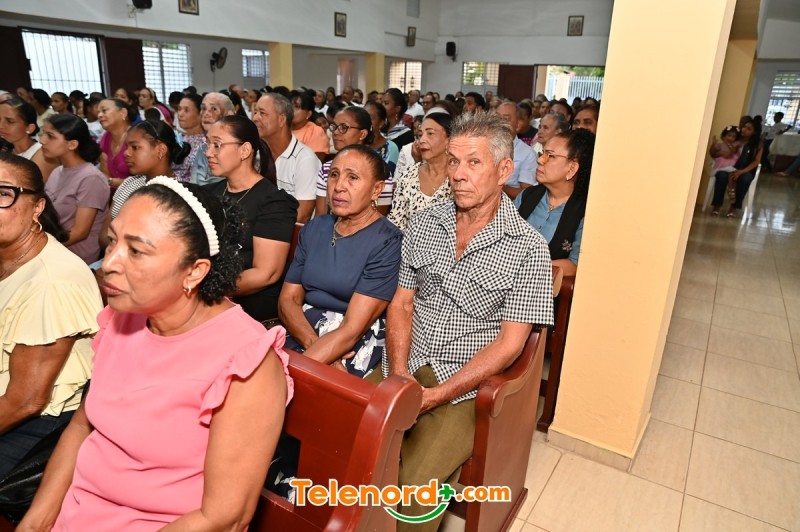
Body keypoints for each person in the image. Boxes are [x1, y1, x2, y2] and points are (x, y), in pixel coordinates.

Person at [19, 177, 293, 531]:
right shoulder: (124, 316)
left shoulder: (245, 361)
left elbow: (225, 517)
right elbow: (82, 426)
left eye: (136, 251)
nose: (109, 262)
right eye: (113, 241)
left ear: (194, 271)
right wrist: (34, 523)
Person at [375, 112, 554, 531]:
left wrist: (436, 396)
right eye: (454, 161)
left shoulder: (529, 249)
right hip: (404, 361)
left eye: (474, 162)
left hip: (463, 386)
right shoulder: (425, 222)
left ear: (504, 171)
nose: (458, 174)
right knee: (344, 445)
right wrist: (399, 373)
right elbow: (401, 303)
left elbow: (510, 344)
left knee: (413, 492)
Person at [0, 153, 99, 484]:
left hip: (34, 426)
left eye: (3, 193)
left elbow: (25, 401)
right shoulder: (9, 255)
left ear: (37, 206)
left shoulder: (52, 281)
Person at [280, 144, 401, 377]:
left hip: (353, 341)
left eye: (352, 177)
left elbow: (352, 329)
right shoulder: (316, 227)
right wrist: (314, 345)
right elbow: (288, 299)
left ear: (376, 190)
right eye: (334, 175)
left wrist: (292, 374)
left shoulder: (387, 241)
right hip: (302, 327)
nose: (339, 186)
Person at [205, 115, 298, 322]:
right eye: (208, 144)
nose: (208, 152)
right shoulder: (209, 194)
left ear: (245, 150)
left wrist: (204, 289)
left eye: (217, 145)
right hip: (209, 299)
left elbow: (266, 273)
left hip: (249, 308)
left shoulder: (274, 202)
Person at [515, 128, 596, 277]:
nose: (540, 160)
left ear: (572, 168)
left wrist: (523, 267)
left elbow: (574, 265)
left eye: (550, 156)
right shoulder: (528, 196)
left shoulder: (584, 211)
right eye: (542, 153)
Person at [40, 114, 110, 264]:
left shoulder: (91, 178)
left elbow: (80, 232)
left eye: (51, 136)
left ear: (72, 144)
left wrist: (40, 249)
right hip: (52, 247)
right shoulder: (57, 172)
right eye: (43, 134)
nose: (42, 141)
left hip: (75, 257)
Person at [315, 106, 395, 216]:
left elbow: (379, 218)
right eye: (334, 127)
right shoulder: (327, 168)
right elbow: (321, 217)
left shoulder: (380, 170)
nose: (336, 132)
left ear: (362, 134)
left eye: (344, 127)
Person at [252, 92, 319, 223]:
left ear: (281, 120)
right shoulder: (256, 155)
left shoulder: (304, 159)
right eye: (255, 112)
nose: (255, 118)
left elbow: (302, 216)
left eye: (262, 113)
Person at [387, 110, 453, 231]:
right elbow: (395, 225)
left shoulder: (459, 178)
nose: (422, 140)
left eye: (430, 133)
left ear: (449, 140)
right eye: (420, 135)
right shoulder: (408, 177)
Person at [710, 116, 763, 217]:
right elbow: (719, 152)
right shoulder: (735, 138)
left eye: (748, 129)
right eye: (744, 127)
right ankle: (716, 206)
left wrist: (741, 172)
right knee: (721, 175)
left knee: (745, 179)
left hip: (746, 170)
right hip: (729, 167)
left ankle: (733, 208)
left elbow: (756, 161)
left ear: (754, 132)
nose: (744, 129)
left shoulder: (758, 144)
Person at [0, 97, 58, 181]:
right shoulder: (7, 151)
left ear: (30, 128)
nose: (1, 126)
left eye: (10, 121)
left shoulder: (42, 155)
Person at [189, 92, 236, 187]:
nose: (206, 114)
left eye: (214, 109)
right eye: (203, 108)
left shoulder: (234, 148)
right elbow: (193, 183)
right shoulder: (202, 147)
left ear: (228, 115)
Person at [496, 102, 538, 199]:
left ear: (518, 125)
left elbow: (526, 194)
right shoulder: (482, 146)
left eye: (505, 119)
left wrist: (496, 186)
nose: (499, 122)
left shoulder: (528, 154)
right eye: (496, 117)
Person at [97, 98, 135, 186]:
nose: (99, 115)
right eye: (98, 112)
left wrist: (111, 181)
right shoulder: (106, 137)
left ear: (123, 113)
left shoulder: (136, 137)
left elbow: (144, 180)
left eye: (104, 110)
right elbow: (105, 173)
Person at [172, 93, 206, 182]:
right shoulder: (180, 139)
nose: (180, 114)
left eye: (186, 110)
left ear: (200, 114)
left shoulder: (204, 144)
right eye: (179, 109)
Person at [290, 91, 329, 163]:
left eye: (297, 106)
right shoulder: (282, 128)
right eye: (289, 106)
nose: (291, 110)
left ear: (308, 114)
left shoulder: (315, 131)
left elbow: (314, 163)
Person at [709, 125, 741, 199]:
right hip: (721, 166)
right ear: (723, 137)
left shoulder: (735, 146)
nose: (731, 138)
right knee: (728, 173)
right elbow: (712, 154)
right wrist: (713, 145)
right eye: (729, 135)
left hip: (731, 165)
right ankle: (731, 190)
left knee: (731, 174)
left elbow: (730, 153)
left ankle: (731, 189)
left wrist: (730, 147)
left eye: (733, 137)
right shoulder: (720, 145)